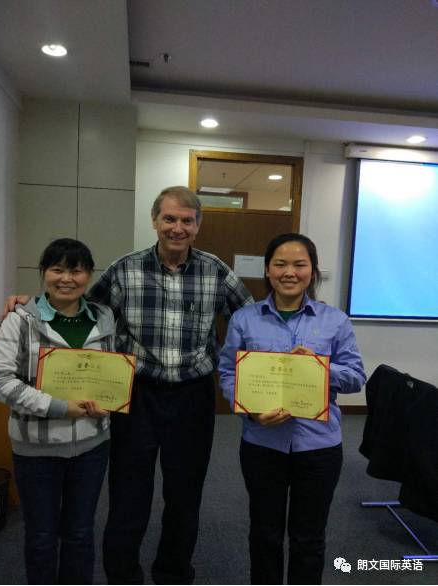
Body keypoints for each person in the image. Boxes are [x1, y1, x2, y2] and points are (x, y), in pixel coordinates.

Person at [88, 186, 252, 584]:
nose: (178, 228)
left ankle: (173, 573)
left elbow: (251, 317)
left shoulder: (215, 271)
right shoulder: (125, 269)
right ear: (154, 220)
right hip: (137, 394)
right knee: (128, 493)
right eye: (170, 219)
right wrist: (32, 307)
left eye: (186, 221)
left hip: (193, 397)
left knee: (185, 494)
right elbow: (83, 312)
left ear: (197, 226)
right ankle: (123, 576)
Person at [219, 233, 366, 585]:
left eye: (300, 264)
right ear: (267, 270)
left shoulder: (335, 321)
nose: (290, 272)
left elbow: (355, 377)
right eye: (280, 264)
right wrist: (250, 411)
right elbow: (227, 373)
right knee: (264, 533)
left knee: (309, 538)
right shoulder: (244, 319)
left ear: (312, 271)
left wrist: (320, 367)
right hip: (262, 444)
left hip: (318, 447)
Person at [0, 238, 115, 585]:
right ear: (43, 272)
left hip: (91, 446)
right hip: (36, 450)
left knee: (80, 533)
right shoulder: (20, 320)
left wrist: (108, 401)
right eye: (57, 270)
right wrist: (59, 407)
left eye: (76, 271)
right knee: (42, 537)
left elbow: (112, 373)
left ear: (89, 276)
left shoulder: (103, 318)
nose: (66, 279)